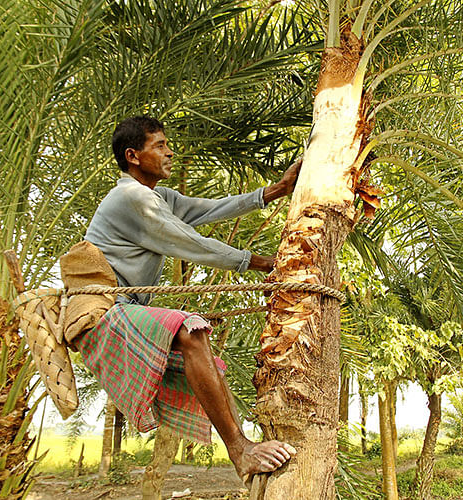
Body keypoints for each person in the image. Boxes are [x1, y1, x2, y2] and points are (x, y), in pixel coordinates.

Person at [75, 116, 300, 480]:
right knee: (190, 330)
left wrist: (275, 191)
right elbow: (190, 243)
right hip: (104, 310)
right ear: (133, 155)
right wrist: (265, 265)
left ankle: (243, 447)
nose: (170, 152)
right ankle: (240, 450)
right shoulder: (130, 198)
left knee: (207, 358)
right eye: (160, 146)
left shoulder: (157, 196)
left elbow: (208, 210)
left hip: (126, 309)